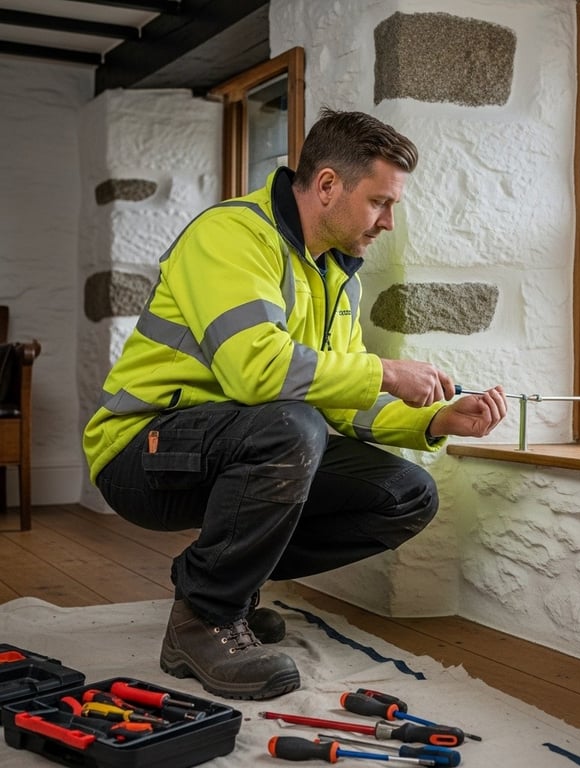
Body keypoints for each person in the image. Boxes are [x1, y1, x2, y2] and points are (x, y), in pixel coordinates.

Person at [82, 108, 507, 701]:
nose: (387, 222)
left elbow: (341, 403)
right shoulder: (231, 236)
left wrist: (433, 419)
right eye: (380, 202)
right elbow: (258, 370)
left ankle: (220, 579)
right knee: (289, 426)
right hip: (141, 449)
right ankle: (205, 619)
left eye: (393, 207)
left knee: (406, 494)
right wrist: (385, 371)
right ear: (329, 184)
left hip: (238, 444)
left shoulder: (338, 276)